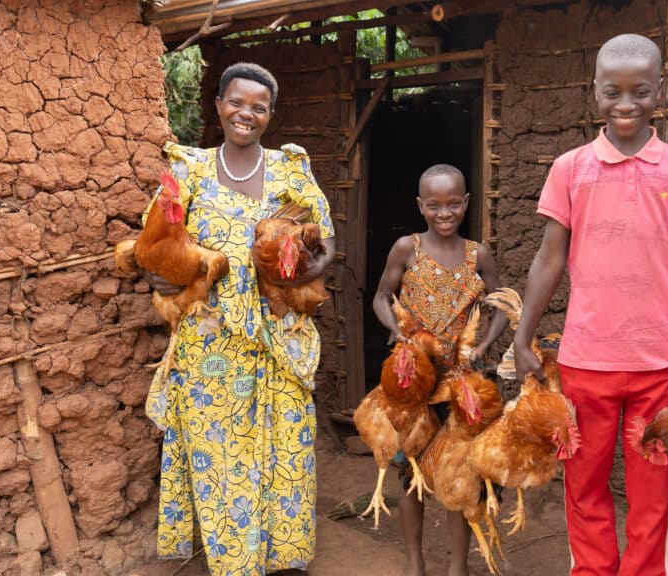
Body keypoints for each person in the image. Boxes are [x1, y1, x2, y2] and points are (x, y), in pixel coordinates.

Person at [512, 34, 668, 576]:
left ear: (660, 90)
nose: (625, 104)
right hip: (586, 362)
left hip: (662, 363)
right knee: (584, 487)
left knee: (651, 492)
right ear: (594, 93)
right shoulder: (570, 168)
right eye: (613, 92)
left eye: (639, 91)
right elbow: (548, 260)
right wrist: (522, 335)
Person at [142, 62, 335, 576]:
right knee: (221, 455)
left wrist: (298, 276)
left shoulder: (292, 169)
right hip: (211, 343)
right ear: (219, 104)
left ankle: (285, 556)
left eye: (259, 106)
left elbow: (327, 242)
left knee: (287, 447)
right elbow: (158, 244)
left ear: (270, 114)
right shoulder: (189, 169)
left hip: (281, 333)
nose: (245, 113)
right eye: (236, 101)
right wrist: (165, 277)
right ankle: (235, 561)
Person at [371, 164, 508, 576]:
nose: (444, 213)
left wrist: (484, 345)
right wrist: (396, 332)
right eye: (434, 205)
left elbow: (501, 304)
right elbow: (381, 296)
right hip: (415, 380)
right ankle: (415, 562)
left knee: (460, 472)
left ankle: (458, 566)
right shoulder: (406, 249)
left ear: (465, 203)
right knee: (409, 470)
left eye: (453, 204)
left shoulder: (477, 254)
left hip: (463, 382)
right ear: (421, 205)